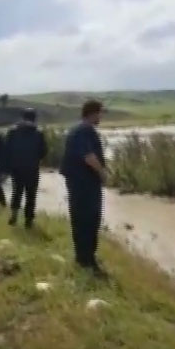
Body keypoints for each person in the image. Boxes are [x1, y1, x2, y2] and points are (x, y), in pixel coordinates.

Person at [60, 100, 107, 276]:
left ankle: (84, 258)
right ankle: (87, 260)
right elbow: (88, 156)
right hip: (84, 183)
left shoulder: (77, 129)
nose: (101, 117)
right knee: (88, 220)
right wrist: (103, 174)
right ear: (93, 113)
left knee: (82, 220)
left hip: (80, 183)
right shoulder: (84, 131)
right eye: (101, 113)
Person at [1, 108, 47, 229]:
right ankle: (28, 220)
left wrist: (5, 168)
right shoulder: (39, 133)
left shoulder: (12, 131)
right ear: (35, 118)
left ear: (22, 118)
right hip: (32, 168)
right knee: (31, 195)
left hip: (16, 168)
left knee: (17, 192)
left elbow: (6, 150)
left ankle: (14, 216)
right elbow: (43, 152)